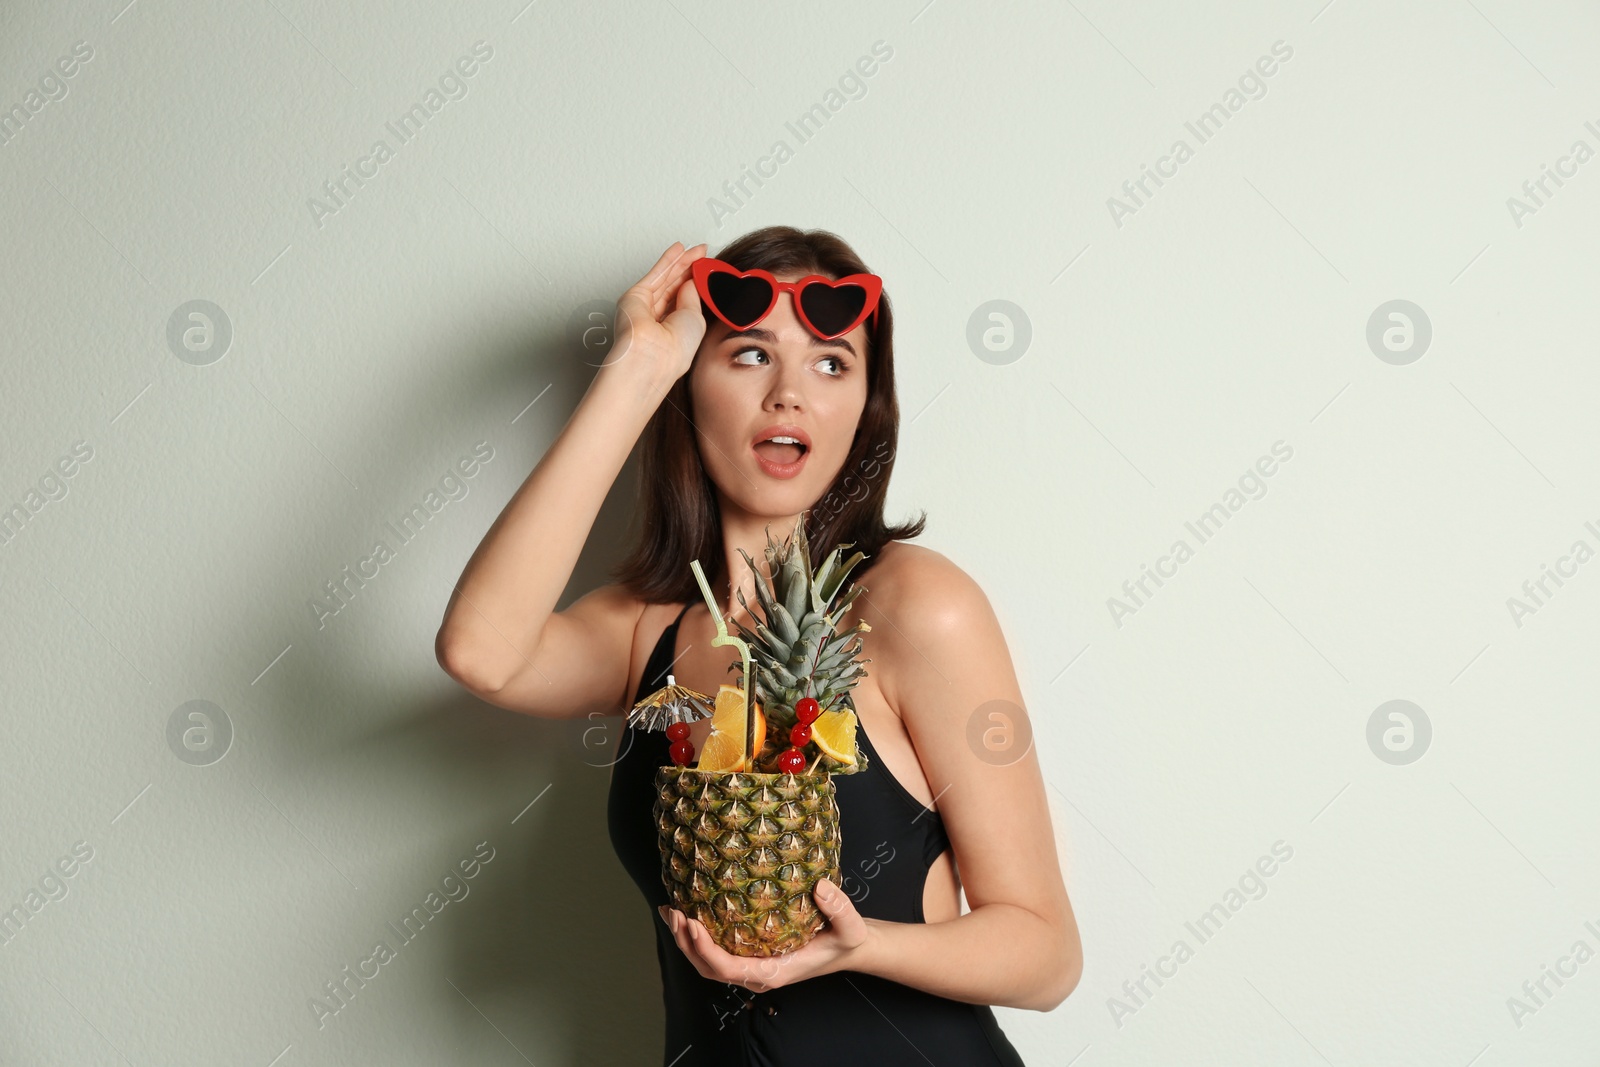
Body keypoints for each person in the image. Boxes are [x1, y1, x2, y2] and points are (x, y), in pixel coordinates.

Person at [435, 226, 1082, 1065]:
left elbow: (1047, 955)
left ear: (864, 405)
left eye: (831, 363)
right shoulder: (647, 628)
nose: (789, 393)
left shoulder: (916, 606)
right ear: (691, 386)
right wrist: (636, 371)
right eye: (747, 356)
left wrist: (860, 946)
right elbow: (481, 651)